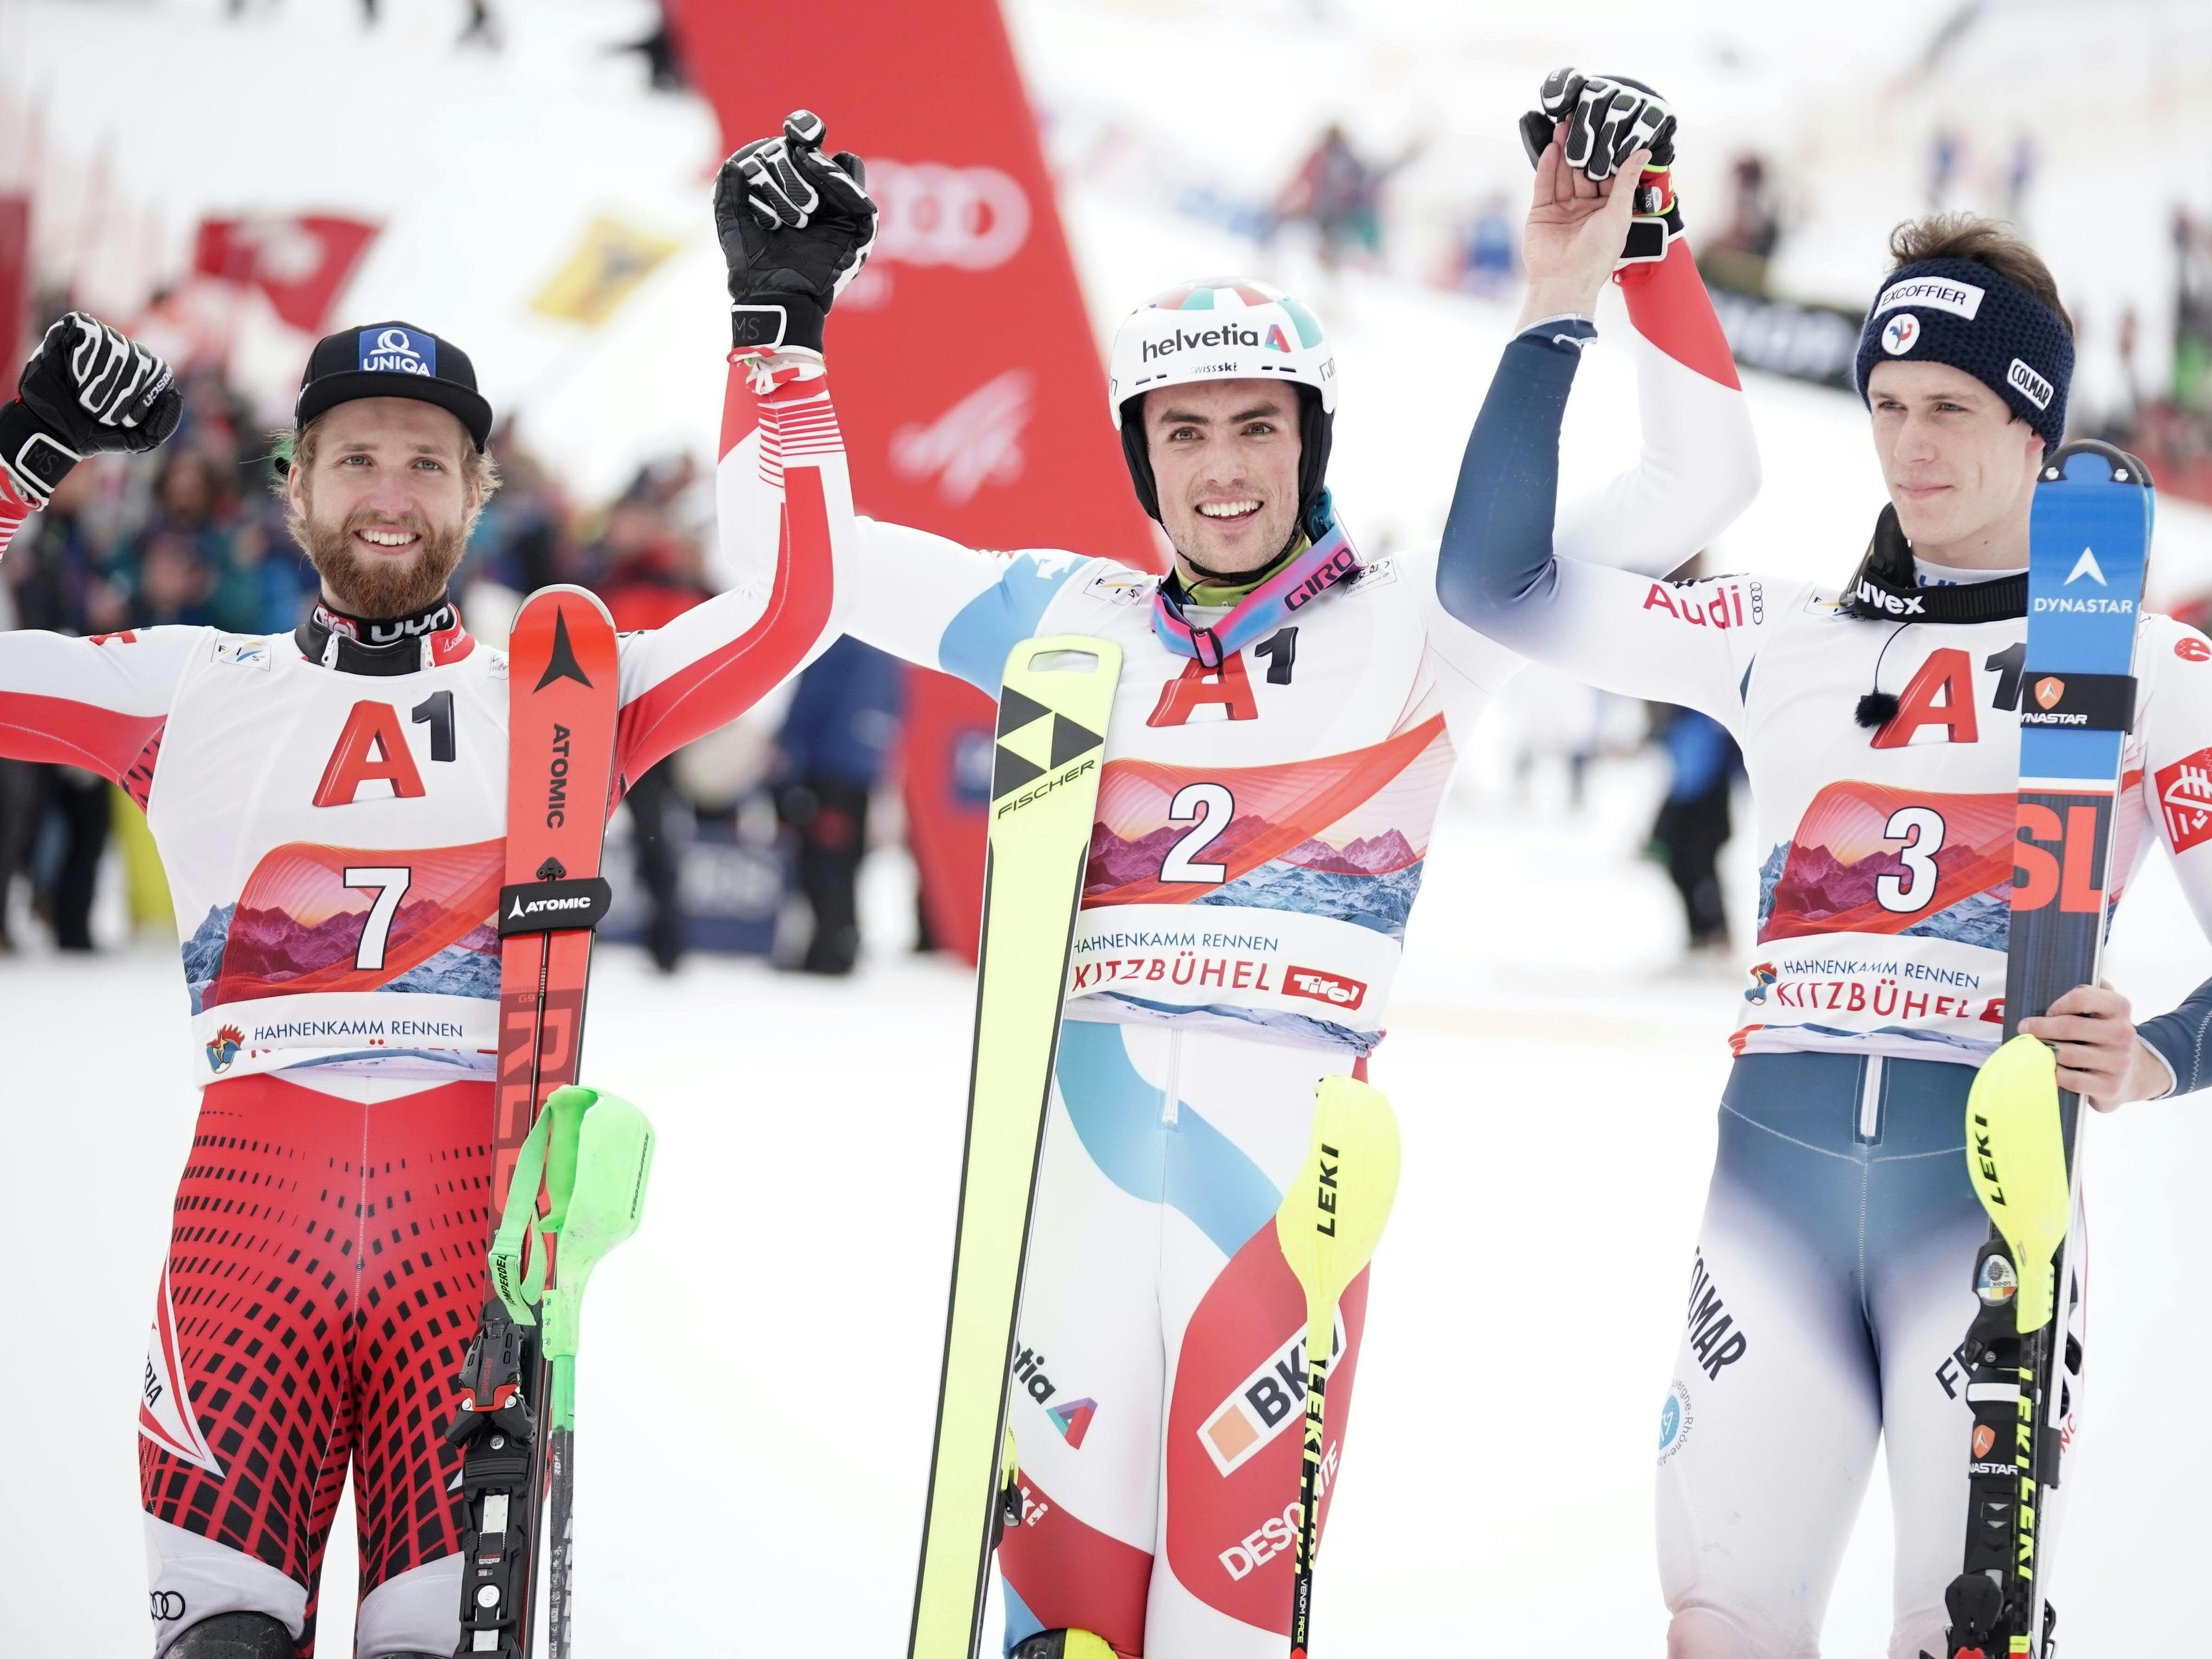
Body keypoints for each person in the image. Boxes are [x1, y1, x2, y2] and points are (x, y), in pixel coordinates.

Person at [712, 86, 1757, 1659]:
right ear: (1141, 455)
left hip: (1275, 1209)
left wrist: (1629, 257)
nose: (1222, 471)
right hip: (1065, 1182)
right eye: (1184, 434)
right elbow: (791, 563)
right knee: (1057, 1639)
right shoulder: (1072, 612)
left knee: (1226, 1637)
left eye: (1257, 428)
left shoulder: (1428, 622)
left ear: (1310, 443)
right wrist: (776, 327)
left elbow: (1699, 486)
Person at [1436, 210, 2212, 1657]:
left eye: (1955, 411)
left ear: (2038, 429)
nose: (1911, 446)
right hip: (1768, 1208)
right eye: (1889, 405)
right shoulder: (1780, 633)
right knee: (1715, 1624)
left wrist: (2158, 1051)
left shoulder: (2153, 668)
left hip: (1982, 1227)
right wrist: (1566, 294)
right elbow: (1493, 585)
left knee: (1960, 1634)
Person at [0, 311, 825, 1657]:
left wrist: (784, 340)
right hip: (241, 1264)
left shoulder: (563, 695)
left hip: (471, 1284)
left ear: (478, 491)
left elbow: (796, 609)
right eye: (359, 459)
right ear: (298, 480)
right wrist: (27, 456)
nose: (392, 494)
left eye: (429, 464)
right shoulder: (192, 687)